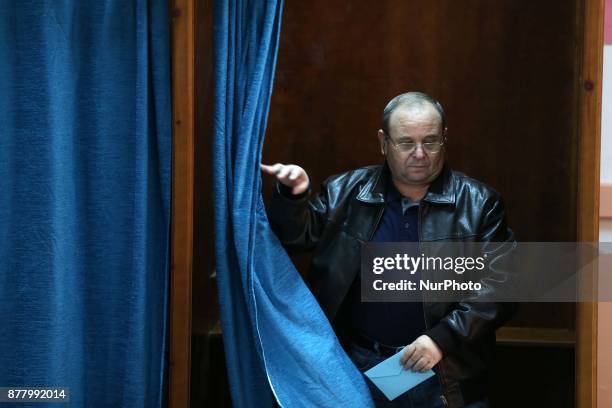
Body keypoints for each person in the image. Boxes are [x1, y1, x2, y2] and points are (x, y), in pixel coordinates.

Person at [261, 92, 516, 408]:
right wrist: (293, 194)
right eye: (406, 143)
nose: (420, 153)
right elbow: (295, 238)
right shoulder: (344, 192)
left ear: (445, 139)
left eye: (431, 141)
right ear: (383, 142)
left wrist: (442, 339)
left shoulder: (479, 204)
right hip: (359, 363)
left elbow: (503, 287)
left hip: (444, 369)